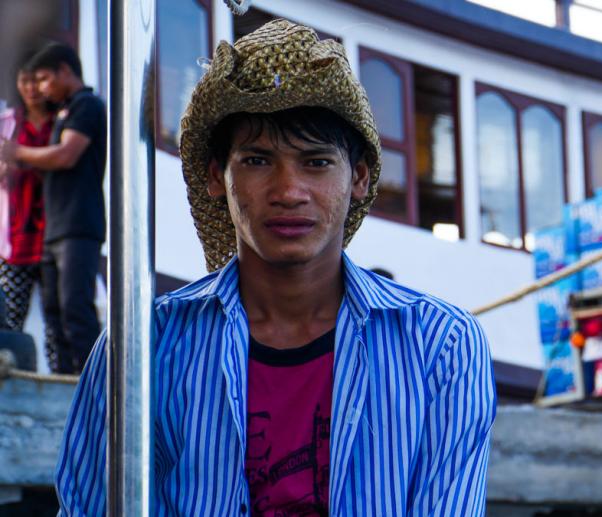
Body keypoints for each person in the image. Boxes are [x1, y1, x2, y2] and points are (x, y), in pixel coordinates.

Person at [56, 20, 496, 516]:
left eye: (316, 162)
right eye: (258, 161)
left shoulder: (441, 344)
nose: (289, 191)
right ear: (215, 179)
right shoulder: (140, 349)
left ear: (360, 177)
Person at [0, 43, 106, 373]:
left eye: (45, 79)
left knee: (76, 309)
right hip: (54, 229)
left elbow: (65, 154)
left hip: (78, 225)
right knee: (55, 315)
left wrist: (16, 152)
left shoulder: (86, 105)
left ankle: (91, 383)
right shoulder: (65, 110)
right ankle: (65, 382)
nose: (42, 88)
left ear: (65, 71)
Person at [0, 57, 51, 347]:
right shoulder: (6, 123)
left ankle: (66, 377)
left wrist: (18, 155)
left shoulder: (61, 122)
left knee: (57, 317)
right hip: (14, 238)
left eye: (37, 80)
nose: (31, 88)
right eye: (25, 80)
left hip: (51, 235)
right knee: (11, 316)